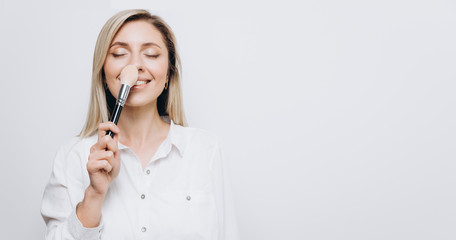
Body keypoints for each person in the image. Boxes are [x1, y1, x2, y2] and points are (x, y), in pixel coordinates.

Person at [41, 9, 239, 240]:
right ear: (104, 74)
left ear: (168, 74)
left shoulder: (205, 149)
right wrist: (94, 194)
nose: (135, 66)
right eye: (119, 53)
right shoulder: (72, 156)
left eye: (152, 54)